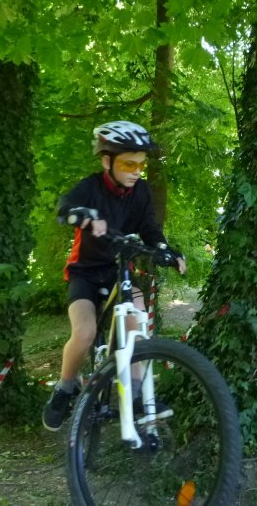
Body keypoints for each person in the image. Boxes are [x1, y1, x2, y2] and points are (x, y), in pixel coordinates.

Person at [43, 120, 186, 431]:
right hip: (84, 272)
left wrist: (166, 251)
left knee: (138, 319)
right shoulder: (91, 187)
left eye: (141, 164)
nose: (136, 170)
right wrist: (84, 215)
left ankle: (135, 395)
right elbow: (65, 207)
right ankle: (64, 388)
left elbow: (149, 228)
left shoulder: (141, 192)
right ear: (107, 161)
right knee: (83, 333)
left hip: (117, 269)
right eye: (128, 163)